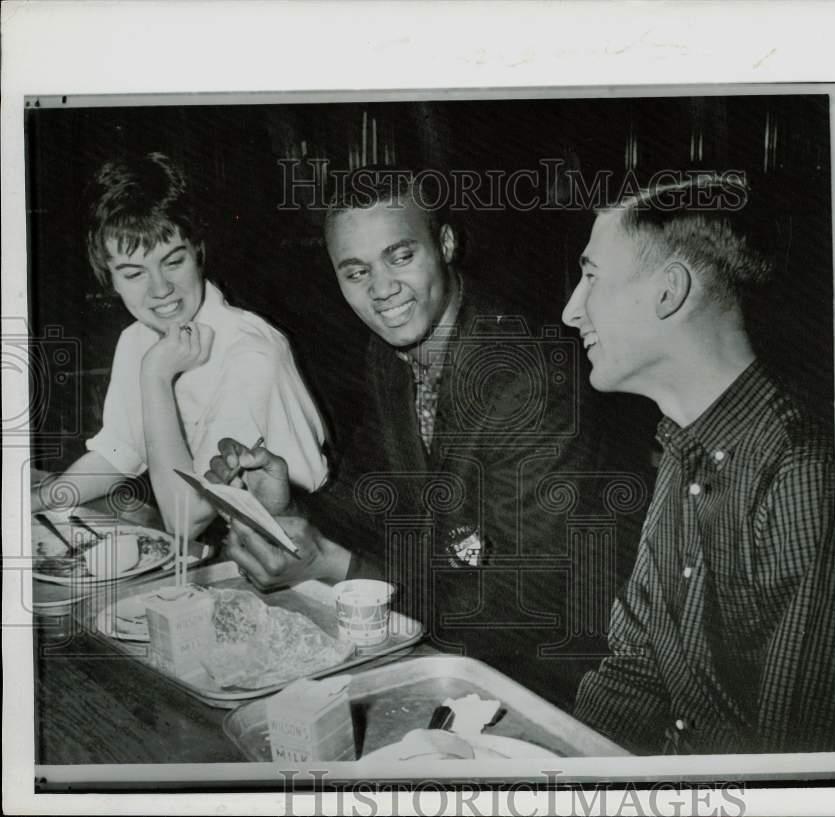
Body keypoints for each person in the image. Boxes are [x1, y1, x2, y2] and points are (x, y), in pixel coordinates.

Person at [207, 167, 640, 709]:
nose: (382, 290)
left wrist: (335, 566)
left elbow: (523, 600)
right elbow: (373, 497)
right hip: (448, 654)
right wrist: (287, 509)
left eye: (400, 256)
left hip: (555, 684)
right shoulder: (393, 353)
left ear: (446, 243)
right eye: (356, 271)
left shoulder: (531, 376)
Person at [564, 178, 835, 754]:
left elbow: (790, 758)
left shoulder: (803, 473)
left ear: (669, 292)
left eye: (591, 279)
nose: (571, 311)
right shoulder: (684, 444)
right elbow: (634, 667)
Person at [32, 152, 328, 537]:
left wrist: (155, 377)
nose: (160, 290)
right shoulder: (137, 339)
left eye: (173, 262)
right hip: (226, 539)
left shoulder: (252, 354)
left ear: (198, 252)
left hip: (300, 541)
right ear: (110, 279)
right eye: (134, 272)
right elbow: (119, 453)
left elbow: (188, 518)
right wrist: (34, 502)